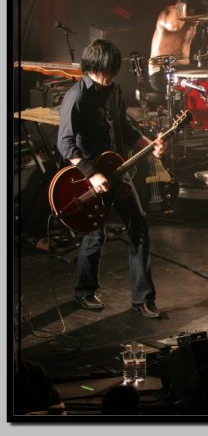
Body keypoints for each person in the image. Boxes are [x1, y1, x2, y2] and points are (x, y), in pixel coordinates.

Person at [57, 39, 165, 317]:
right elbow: (65, 143)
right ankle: (84, 291)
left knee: (138, 226)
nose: (109, 77)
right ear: (92, 67)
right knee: (95, 235)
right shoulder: (77, 97)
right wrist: (91, 175)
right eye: (104, 71)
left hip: (116, 170)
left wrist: (148, 143)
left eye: (113, 72)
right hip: (89, 176)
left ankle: (142, 298)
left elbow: (125, 127)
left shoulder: (114, 89)